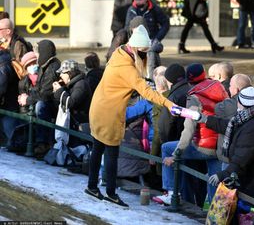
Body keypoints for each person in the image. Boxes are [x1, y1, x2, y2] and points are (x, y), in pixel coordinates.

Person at [85, 25, 174, 207]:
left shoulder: (119, 53)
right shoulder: (128, 69)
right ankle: (111, 193)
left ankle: (92, 187)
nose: (145, 56)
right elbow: (148, 93)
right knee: (111, 154)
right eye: (143, 52)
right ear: (135, 48)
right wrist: (169, 104)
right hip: (109, 113)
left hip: (98, 107)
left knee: (97, 149)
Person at [154, 63, 229, 205]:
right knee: (214, 180)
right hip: (219, 146)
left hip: (203, 146)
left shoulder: (194, 97)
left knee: (166, 148)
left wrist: (177, 153)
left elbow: (188, 128)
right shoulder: (219, 87)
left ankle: (170, 192)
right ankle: (215, 215)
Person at [200, 87, 254, 198]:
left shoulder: (251, 127)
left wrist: (224, 174)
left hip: (250, 177)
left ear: (241, 103)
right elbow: (229, 125)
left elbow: (242, 157)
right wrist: (205, 119)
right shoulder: (250, 116)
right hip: (249, 174)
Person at [18, 39, 60, 156]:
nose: (36, 57)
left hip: (53, 105)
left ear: (44, 53)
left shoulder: (51, 68)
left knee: (40, 106)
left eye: (37, 53)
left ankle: (43, 143)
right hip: (48, 102)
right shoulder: (45, 66)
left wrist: (27, 99)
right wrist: (26, 96)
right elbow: (39, 88)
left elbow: (45, 94)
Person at [125, 0, 169, 78]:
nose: (137, 2)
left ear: (145, 0)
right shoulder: (131, 10)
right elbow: (127, 27)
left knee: (150, 56)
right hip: (135, 43)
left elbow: (165, 23)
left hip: (150, 41)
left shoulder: (154, 9)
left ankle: (150, 77)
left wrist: (157, 38)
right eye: (136, 0)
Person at [52, 60, 92, 147]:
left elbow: (71, 103)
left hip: (79, 124)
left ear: (69, 74)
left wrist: (59, 91)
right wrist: (58, 91)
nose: (60, 75)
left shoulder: (81, 85)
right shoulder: (72, 84)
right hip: (72, 123)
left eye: (62, 73)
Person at [158, 64, 191, 144]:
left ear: (169, 80)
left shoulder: (174, 97)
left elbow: (165, 125)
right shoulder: (192, 89)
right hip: (193, 140)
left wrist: (166, 143)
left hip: (177, 141)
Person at [0, 50, 19, 148]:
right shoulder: (6, 59)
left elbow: (1, 87)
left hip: (8, 104)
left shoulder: (3, 64)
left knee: (10, 136)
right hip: (10, 103)